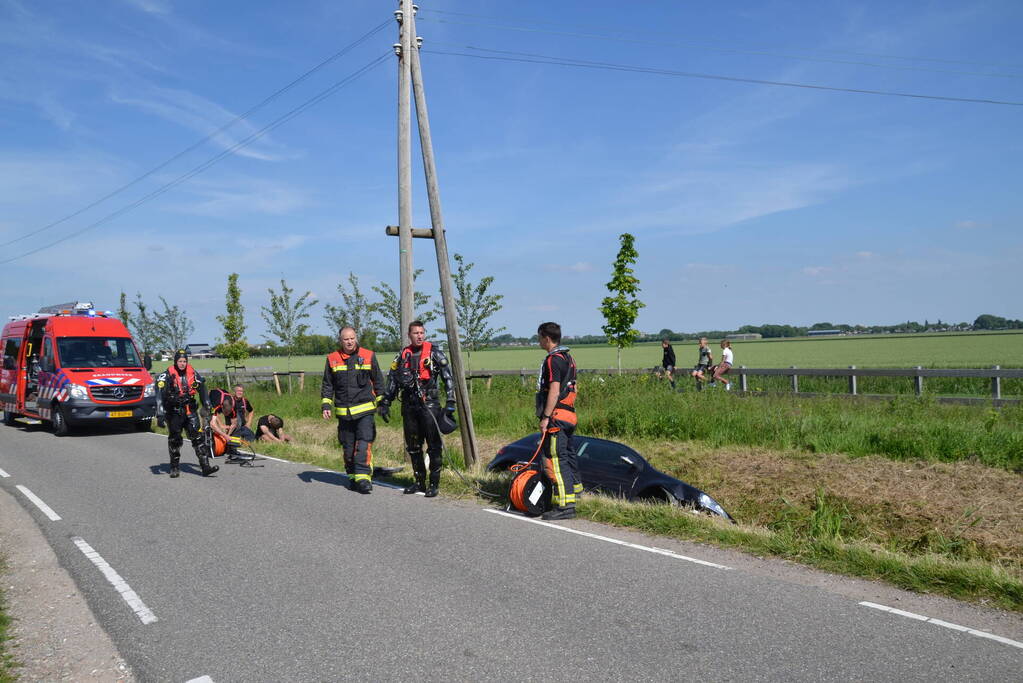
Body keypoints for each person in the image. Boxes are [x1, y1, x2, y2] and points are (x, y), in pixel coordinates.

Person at [379, 320, 455, 498]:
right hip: (409, 406)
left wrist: (451, 401)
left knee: (434, 446)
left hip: (429, 405)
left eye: (422, 333)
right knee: (413, 447)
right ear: (409, 335)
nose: (419, 336)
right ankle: (419, 482)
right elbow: (392, 380)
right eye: (416, 333)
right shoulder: (402, 355)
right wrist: (385, 402)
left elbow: (448, 378)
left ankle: (434, 484)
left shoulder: (435, 353)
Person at [321, 327, 386, 494]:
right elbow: (328, 385)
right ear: (340, 341)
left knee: (364, 442)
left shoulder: (368, 355)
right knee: (348, 446)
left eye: (352, 338)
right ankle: (352, 475)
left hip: (365, 410)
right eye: (346, 339)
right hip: (344, 412)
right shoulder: (332, 359)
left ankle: (363, 477)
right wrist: (326, 405)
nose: (349, 342)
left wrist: (382, 403)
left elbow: (378, 380)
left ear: (356, 338)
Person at [535, 321, 582, 521]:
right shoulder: (569, 358)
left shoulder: (553, 360)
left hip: (556, 417)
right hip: (569, 415)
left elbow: (554, 390)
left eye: (539, 338)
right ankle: (576, 492)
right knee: (569, 456)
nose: (538, 341)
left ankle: (565, 505)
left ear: (546, 338)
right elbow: (574, 388)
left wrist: (546, 417)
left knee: (556, 459)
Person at [155, 349, 218, 478]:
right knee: (175, 440)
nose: (182, 363)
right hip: (174, 412)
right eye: (180, 361)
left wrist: (207, 404)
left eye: (184, 361)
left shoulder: (193, 372)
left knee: (198, 438)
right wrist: (160, 411)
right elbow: (158, 390)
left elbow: (202, 388)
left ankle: (205, 467)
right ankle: (174, 467)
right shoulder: (167, 374)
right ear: (175, 361)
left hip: (190, 411)